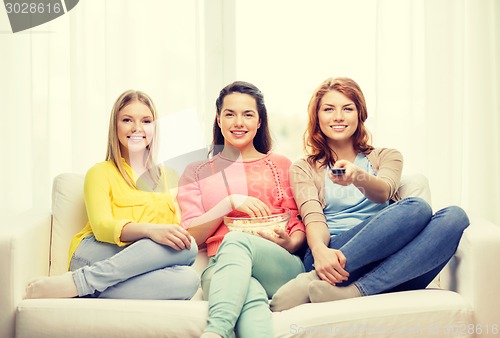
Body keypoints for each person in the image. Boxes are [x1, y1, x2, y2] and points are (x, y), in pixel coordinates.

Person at [270, 77, 470, 311]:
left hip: (392, 264)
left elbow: (384, 192)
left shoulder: (387, 156)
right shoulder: (304, 167)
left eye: (347, 108)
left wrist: (357, 176)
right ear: (317, 116)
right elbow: (313, 217)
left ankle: (355, 292)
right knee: (418, 208)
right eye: (328, 109)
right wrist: (320, 252)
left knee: (455, 216)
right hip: (335, 258)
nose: (338, 116)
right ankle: (317, 276)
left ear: (360, 114)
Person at [25, 90, 199, 300]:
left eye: (146, 121)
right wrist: (150, 231)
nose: (137, 128)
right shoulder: (100, 172)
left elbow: (176, 233)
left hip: (141, 259)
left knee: (188, 275)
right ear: (115, 126)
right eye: (127, 120)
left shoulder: (170, 175)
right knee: (185, 247)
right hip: (97, 252)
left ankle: (80, 286)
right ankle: (82, 281)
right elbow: (101, 227)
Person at [177, 81, 306, 338]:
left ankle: (216, 332)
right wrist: (228, 204)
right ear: (218, 118)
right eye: (230, 114)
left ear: (259, 121)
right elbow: (191, 237)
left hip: (279, 264)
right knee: (251, 296)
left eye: (248, 114)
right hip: (220, 267)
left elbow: (299, 224)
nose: (239, 122)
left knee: (236, 240)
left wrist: (290, 243)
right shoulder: (197, 171)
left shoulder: (281, 165)